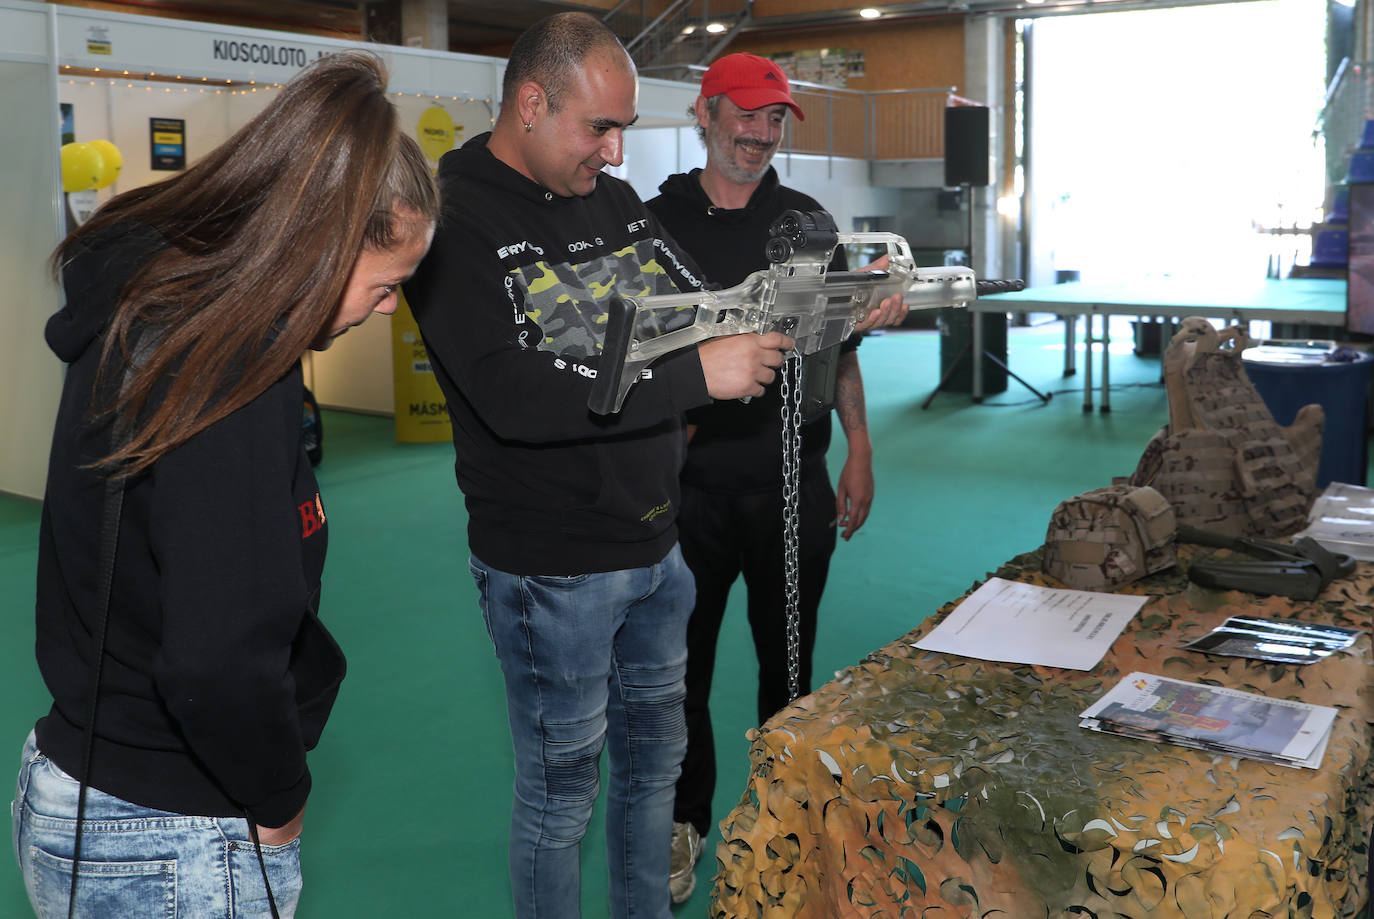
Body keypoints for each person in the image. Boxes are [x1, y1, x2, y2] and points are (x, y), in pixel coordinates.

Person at [11, 52, 438, 919]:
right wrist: (277, 800)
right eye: (387, 285)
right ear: (324, 243)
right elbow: (219, 653)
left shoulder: (152, 302)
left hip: (75, 778)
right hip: (166, 830)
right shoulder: (232, 366)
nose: (388, 309)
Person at [402, 13, 792, 919]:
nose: (615, 154)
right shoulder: (452, 213)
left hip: (656, 546)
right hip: (549, 565)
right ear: (531, 104)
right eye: (599, 128)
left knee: (654, 776)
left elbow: (695, 303)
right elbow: (511, 393)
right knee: (558, 799)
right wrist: (696, 375)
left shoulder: (609, 202)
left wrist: (826, 308)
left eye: (623, 129)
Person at [644, 52, 907, 903]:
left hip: (795, 486)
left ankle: (783, 822)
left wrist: (858, 448)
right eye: (747, 116)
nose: (760, 135)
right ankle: (685, 821)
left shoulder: (807, 224)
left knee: (787, 671)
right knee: (677, 673)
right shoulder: (655, 224)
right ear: (706, 113)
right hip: (686, 494)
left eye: (775, 120)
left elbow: (840, 352)